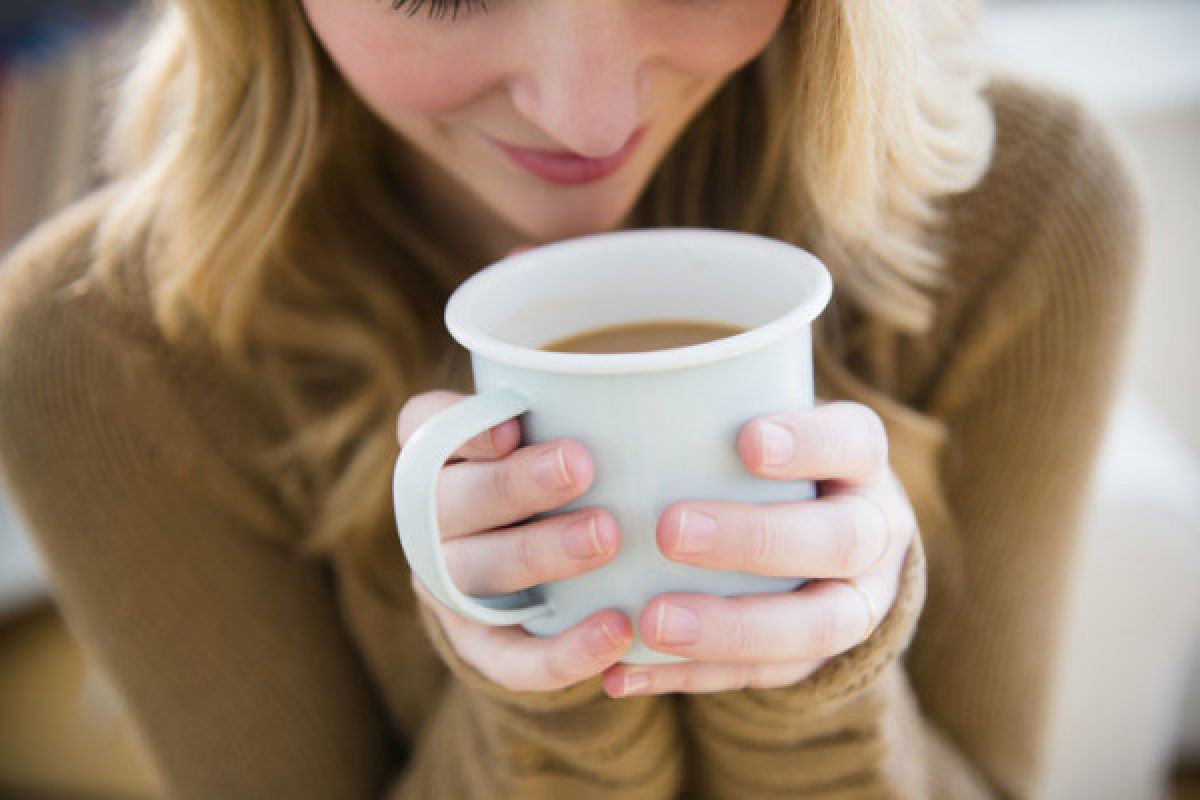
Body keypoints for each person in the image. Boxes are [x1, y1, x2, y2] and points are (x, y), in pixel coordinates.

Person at [0, 0, 1142, 797]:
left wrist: (818, 677)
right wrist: (546, 693)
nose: (586, 117)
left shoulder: (1024, 214)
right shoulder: (97, 351)